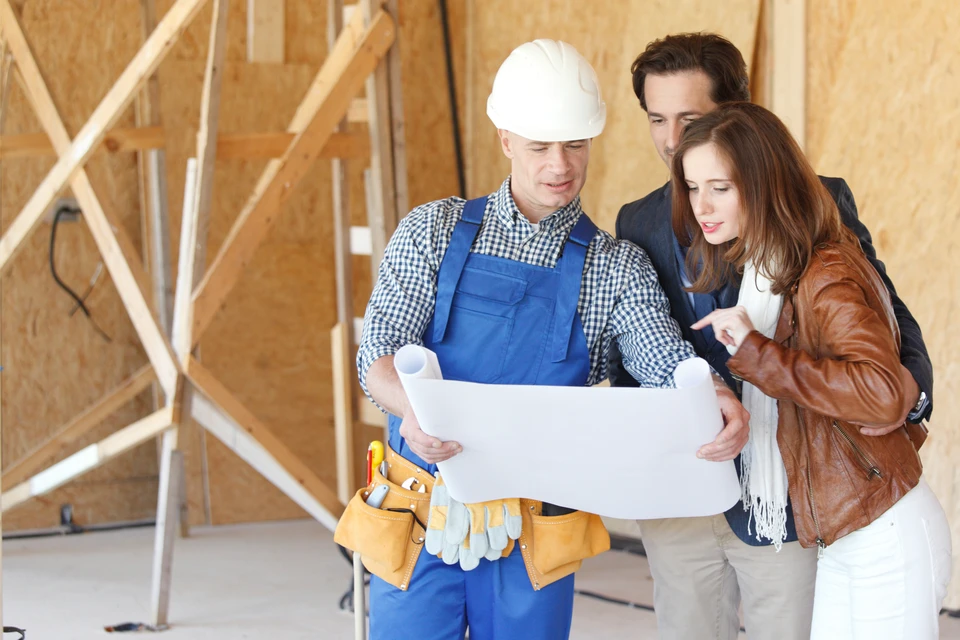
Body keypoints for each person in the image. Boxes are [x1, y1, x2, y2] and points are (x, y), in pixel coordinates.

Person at [337, 39, 750, 640]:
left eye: (575, 145)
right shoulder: (431, 230)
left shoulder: (615, 267)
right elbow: (375, 353)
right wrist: (409, 414)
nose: (560, 165)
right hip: (422, 514)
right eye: (539, 146)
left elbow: (665, 358)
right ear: (505, 140)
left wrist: (710, 392)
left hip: (534, 530)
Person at [608, 33, 935, 639]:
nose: (673, 139)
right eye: (657, 118)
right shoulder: (638, 220)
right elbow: (637, 345)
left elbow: (884, 313)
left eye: (691, 118)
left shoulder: (817, 201)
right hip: (684, 487)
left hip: (780, 487)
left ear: (737, 117)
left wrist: (905, 397)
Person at [678, 100, 952, 639]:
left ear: (764, 183)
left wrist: (758, 353)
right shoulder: (768, 269)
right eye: (693, 187)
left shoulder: (823, 270)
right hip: (843, 535)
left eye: (721, 187)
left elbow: (881, 394)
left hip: (884, 536)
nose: (701, 206)